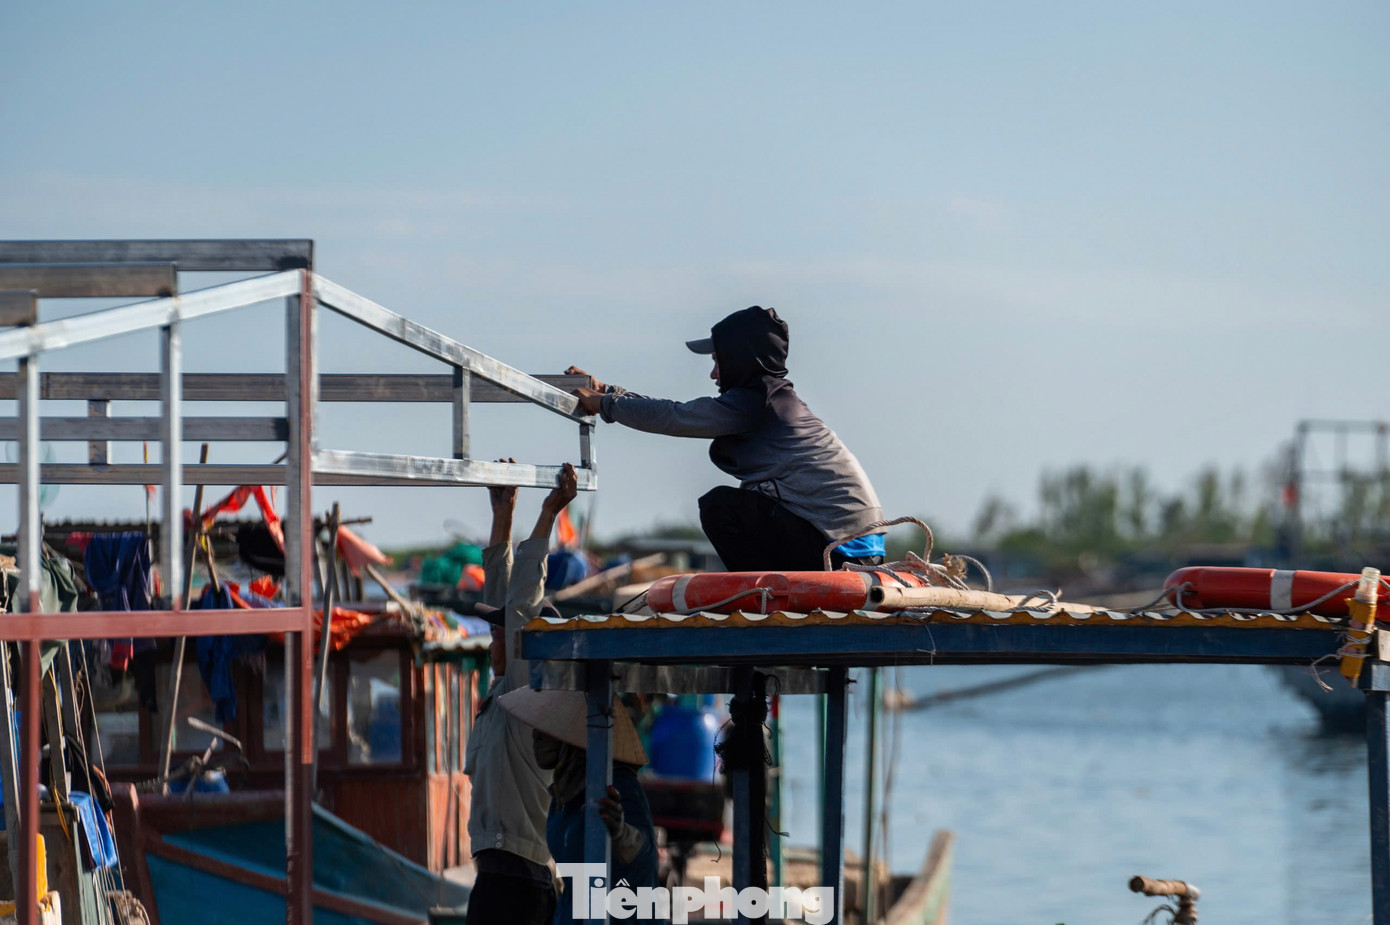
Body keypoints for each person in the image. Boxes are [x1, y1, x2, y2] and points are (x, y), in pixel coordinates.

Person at [570, 305, 886, 571]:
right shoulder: (771, 400)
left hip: (838, 550)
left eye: (717, 361)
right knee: (743, 502)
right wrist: (609, 393)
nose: (713, 374)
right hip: (852, 546)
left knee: (719, 506)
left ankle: (763, 597)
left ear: (739, 359)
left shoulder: (757, 404)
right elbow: (678, 411)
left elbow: (676, 416)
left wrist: (607, 404)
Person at [462, 461, 578, 925]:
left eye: (503, 634)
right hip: (494, 878)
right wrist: (503, 514)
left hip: (522, 885)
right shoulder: (500, 695)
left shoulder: (529, 693)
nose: (494, 638)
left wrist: (548, 513)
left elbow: (522, 607)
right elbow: (503, 600)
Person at [498, 685, 660, 925]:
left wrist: (621, 833)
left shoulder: (616, 784)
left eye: (549, 725)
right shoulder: (564, 794)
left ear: (579, 732)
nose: (536, 735)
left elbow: (643, 854)